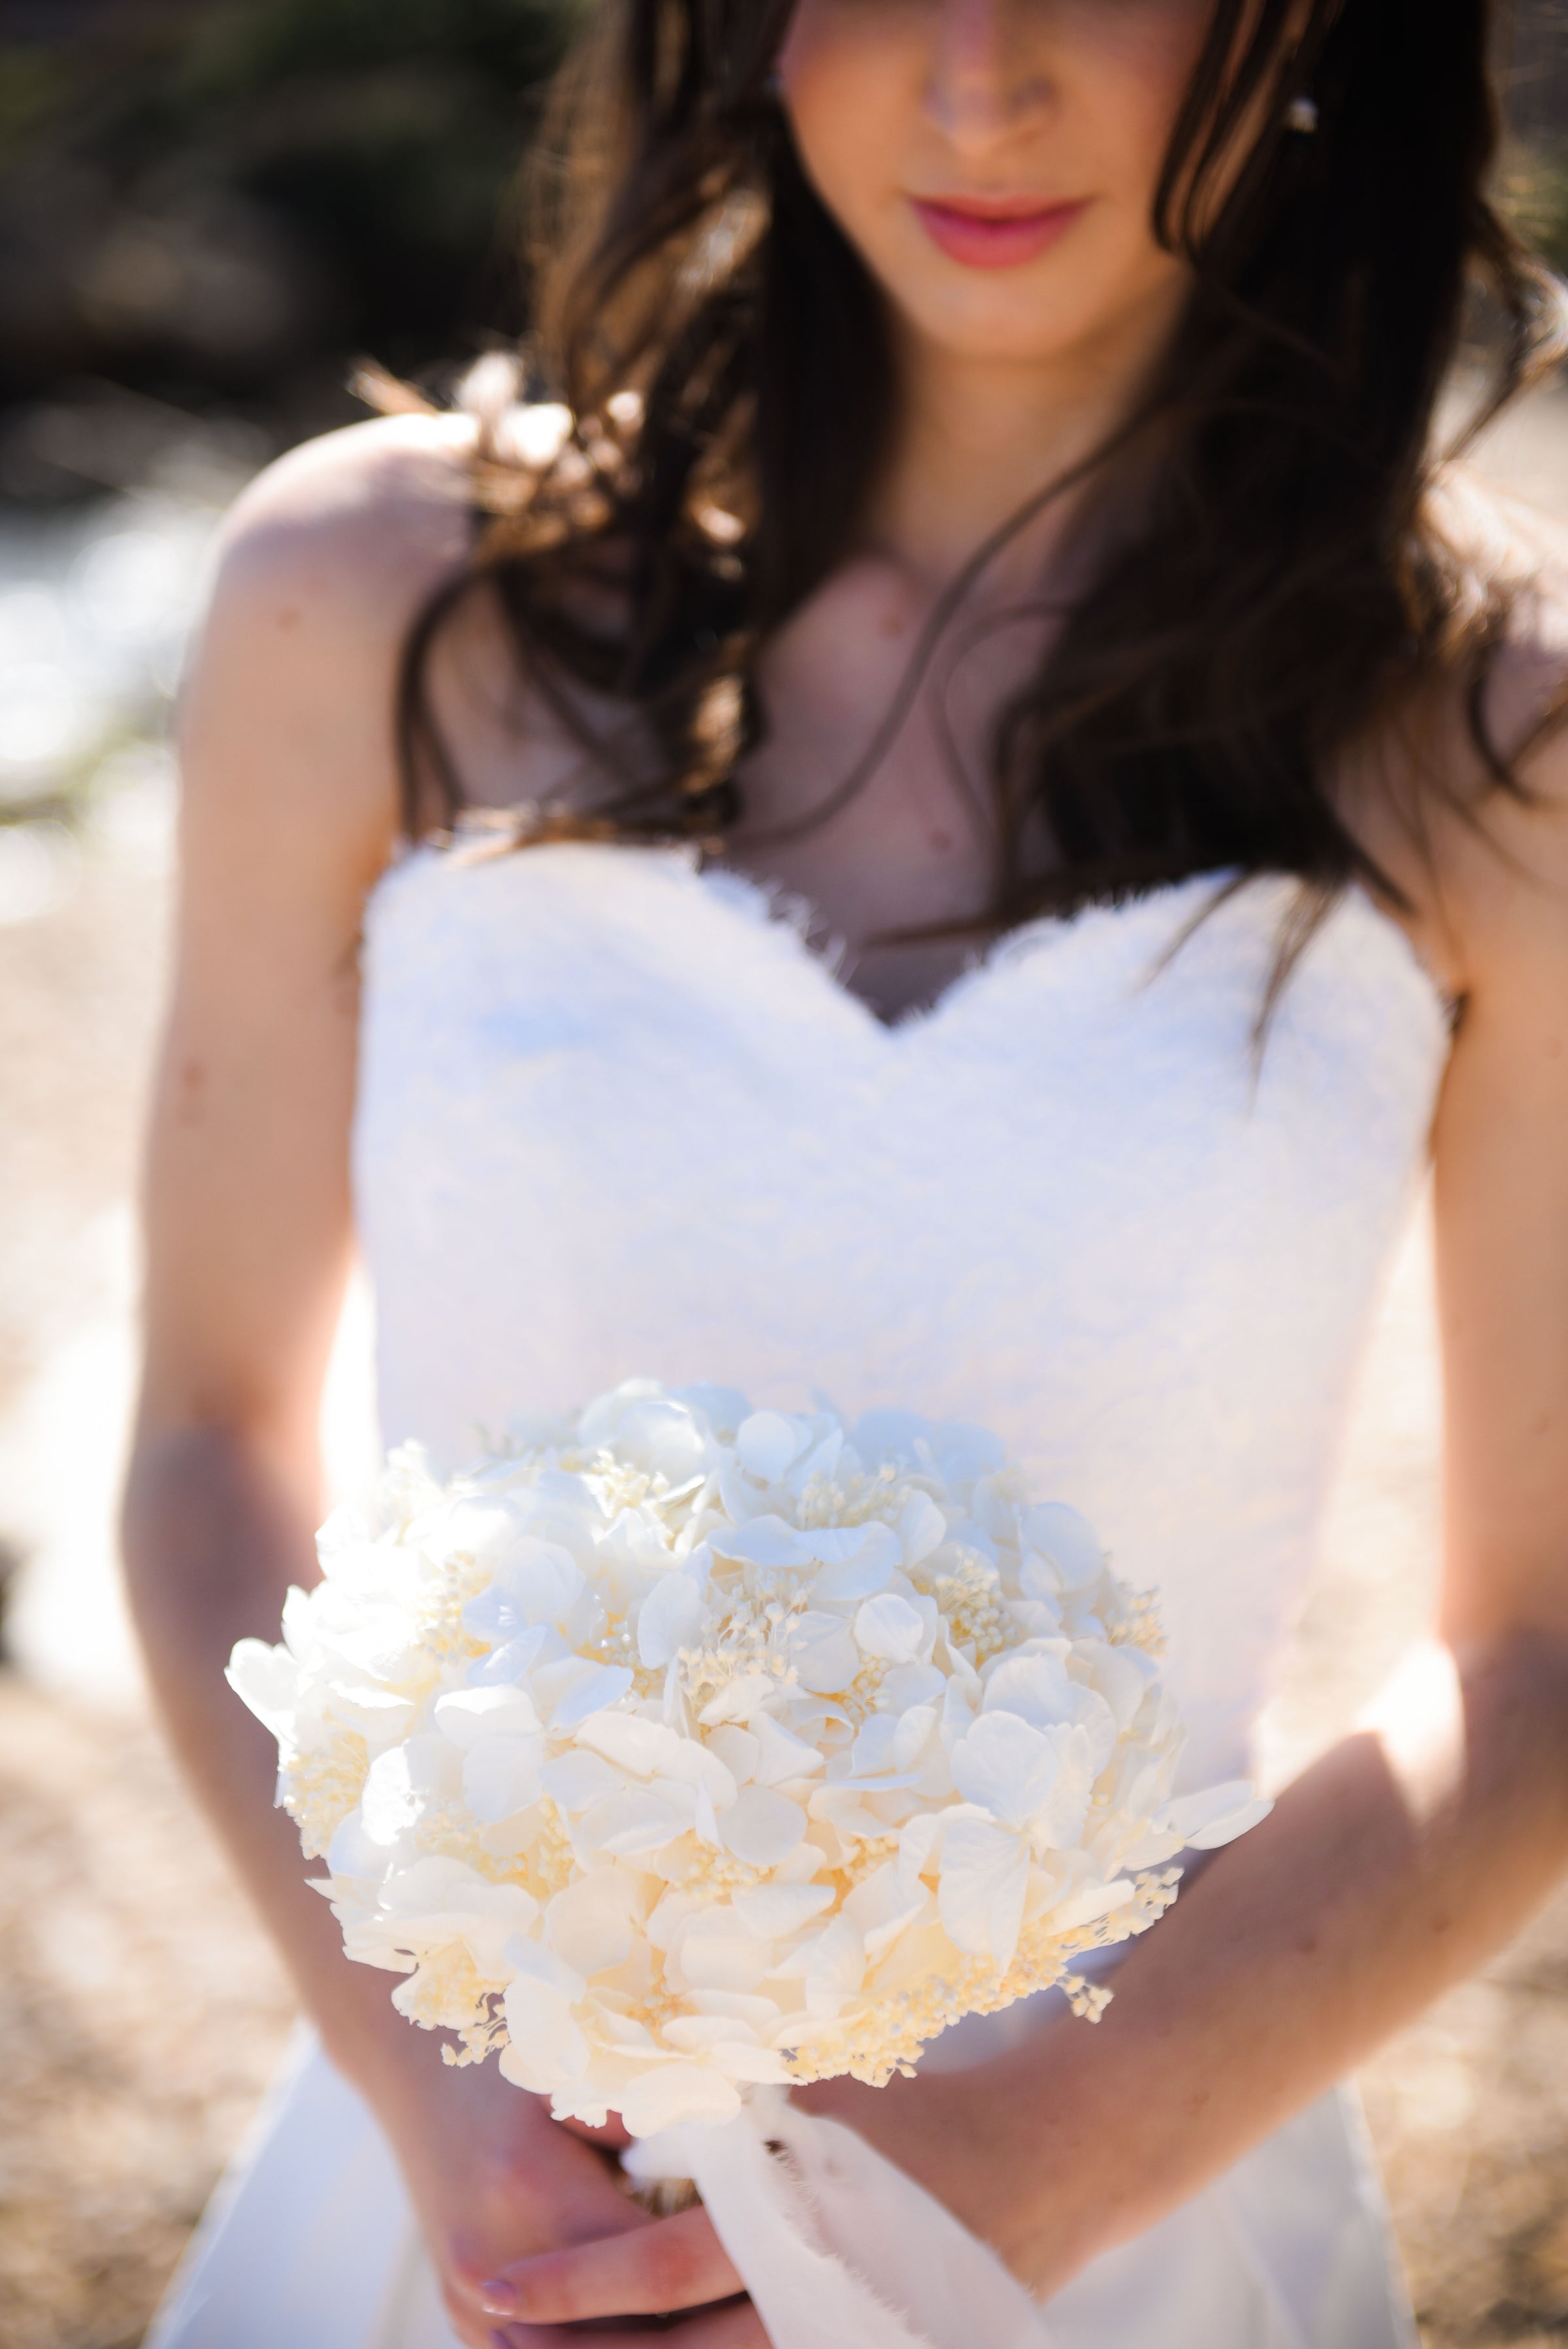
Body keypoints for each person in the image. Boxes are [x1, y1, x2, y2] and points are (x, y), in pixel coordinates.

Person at [125, 0, 1568, 2342]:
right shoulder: (372, 600)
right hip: (490, 2181)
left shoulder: (1496, 728)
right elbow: (207, 1440)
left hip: (1122, 2189)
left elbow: (1535, 1646)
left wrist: (1009, 2178)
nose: (977, 83)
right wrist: (454, 2093)